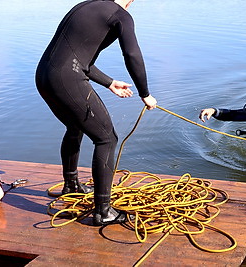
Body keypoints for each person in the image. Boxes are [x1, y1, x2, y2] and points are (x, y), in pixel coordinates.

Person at [35, 0, 157, 226]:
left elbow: (79, 59)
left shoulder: (85, 7)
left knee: (76, 126)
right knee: (106, 138)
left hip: (44, 76)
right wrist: (145, 93)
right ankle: (103, 211)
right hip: (67, 79)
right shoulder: (120, 15)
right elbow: (132, 54)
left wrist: (109, 83)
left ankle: (71, 185)